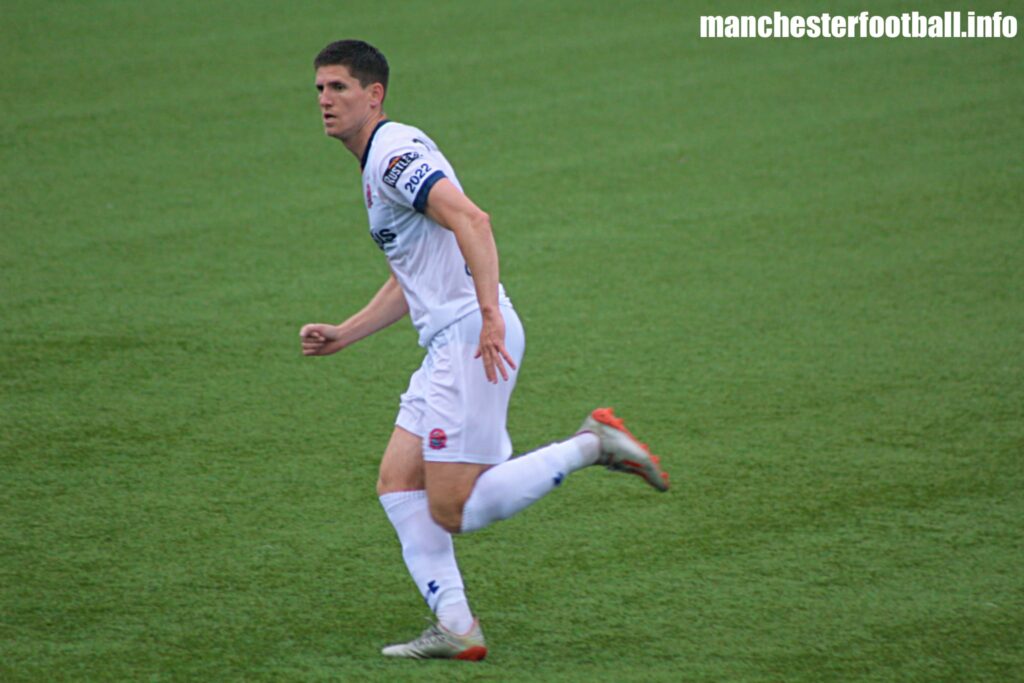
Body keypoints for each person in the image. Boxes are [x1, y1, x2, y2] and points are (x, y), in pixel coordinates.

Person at [299, 39, 669, 661]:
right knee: (398, 480)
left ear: (374, 95)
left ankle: (591, 444)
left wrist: (491, 315)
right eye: (318, 89)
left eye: (338, 88)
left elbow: (473, 220)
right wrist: (347, 331)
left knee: (452, 508)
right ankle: (457, 627)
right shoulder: (381, 163)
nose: (325, 101)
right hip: (456, 333)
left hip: (471, 335)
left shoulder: (391, 155)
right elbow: (410, 274)